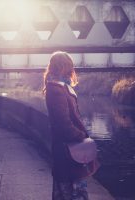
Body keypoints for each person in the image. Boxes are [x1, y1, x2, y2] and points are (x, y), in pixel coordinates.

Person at [43, 51, 99, 200]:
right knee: (70, 192)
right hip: (66, 149)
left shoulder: (62, 87)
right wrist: (81, 136)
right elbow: (63, 124)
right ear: (63, 67)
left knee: (71, 191)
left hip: (69, 149)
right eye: (69, 66)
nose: (72, 69)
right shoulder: (55, 89)